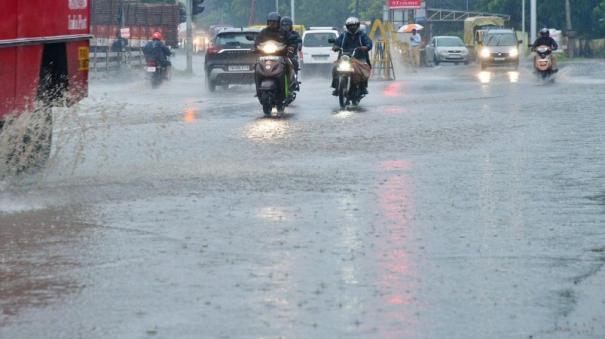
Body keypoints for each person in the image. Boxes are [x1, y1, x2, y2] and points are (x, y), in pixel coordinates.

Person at [254, 12, 295, 99]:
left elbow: (292, 41)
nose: (272, 24)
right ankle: (258, 90)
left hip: (281, 56)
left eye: (274, 22)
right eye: (270, 22)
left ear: (278, 22)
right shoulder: (263, 32)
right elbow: (257, 42)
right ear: (267, 22)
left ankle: (290, 84)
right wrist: (255, 48)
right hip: (265, 56)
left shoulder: (283, 32)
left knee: (289, 64)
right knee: (256, 66)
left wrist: (291, 47)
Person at [331, 17, 373, 96]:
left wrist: (366, 47)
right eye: (350, 26)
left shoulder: (362, 35)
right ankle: (336, 87)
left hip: (360, 58)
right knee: (335, 68)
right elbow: (337, 43)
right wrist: (335, 47)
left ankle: (363, 87)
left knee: (364, 70)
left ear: (357, 26)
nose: (352, 27)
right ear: (347, 26)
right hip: (345, 57)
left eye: (354, 25)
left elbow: (368, 43)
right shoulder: (343, 35)